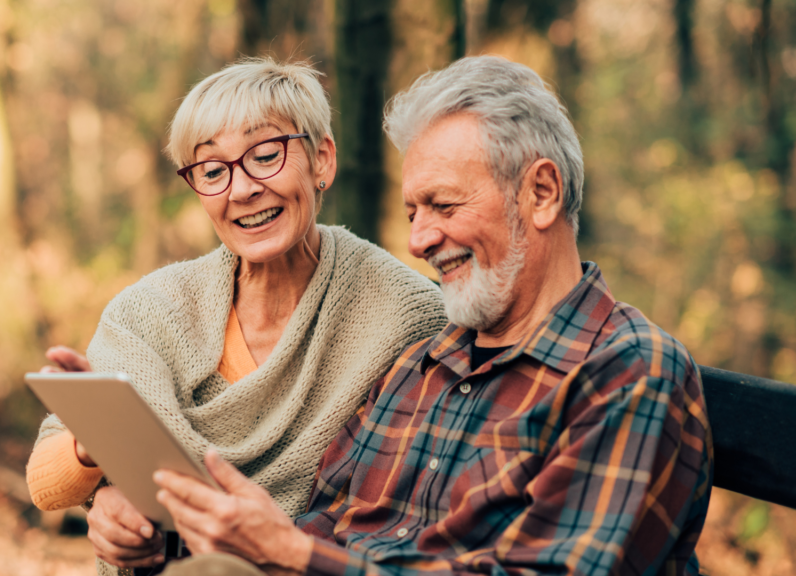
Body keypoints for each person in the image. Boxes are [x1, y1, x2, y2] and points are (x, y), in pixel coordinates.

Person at [150, 55, 713, 576]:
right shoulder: (422, 363)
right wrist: (168, 536)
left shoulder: (626, 371)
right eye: (413, 212)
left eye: (444, 205)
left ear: (541, 193)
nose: (419, 240)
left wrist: (293, 554)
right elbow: (316, 525)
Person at [24, 57, 448, 575]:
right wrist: (98, 462)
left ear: (322, 161)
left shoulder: (407, 313)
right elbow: (46, 483)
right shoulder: (151, 310)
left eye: (266, 155)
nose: (242, 189)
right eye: (212, 171)